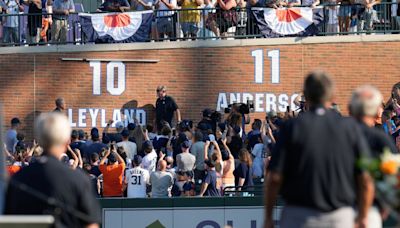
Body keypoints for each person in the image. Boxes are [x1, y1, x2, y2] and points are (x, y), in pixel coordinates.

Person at [264, 71, 374, 228]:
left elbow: (274, 177)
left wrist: (268, 217)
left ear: (306, 95)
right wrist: (363, 216)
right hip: (339, 217)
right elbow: (365, 178)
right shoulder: (350, 128)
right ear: (333, 95)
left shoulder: (292, 127)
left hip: (299, 217)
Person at [4, 112, 100, 227]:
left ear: (39, 139)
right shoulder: (78, 179)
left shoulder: (18, 179)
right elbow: (91, 224)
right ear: (67, 141)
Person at [349, 85, 398, 228]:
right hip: (370, 209)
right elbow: (394, 177)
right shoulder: (381, 139)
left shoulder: (338, 135)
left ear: (351, 109)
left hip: (340, 208)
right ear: (377, 111)